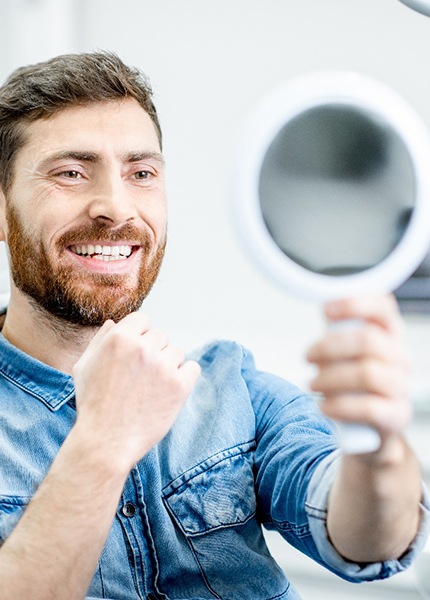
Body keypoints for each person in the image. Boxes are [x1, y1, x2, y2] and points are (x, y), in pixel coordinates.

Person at [0, 51, 427, 600]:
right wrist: (103, 443)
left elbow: (371, 542)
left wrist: (379, 449)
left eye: (142, 173)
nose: (116, 206)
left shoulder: (232, 388)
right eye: (71, 173)